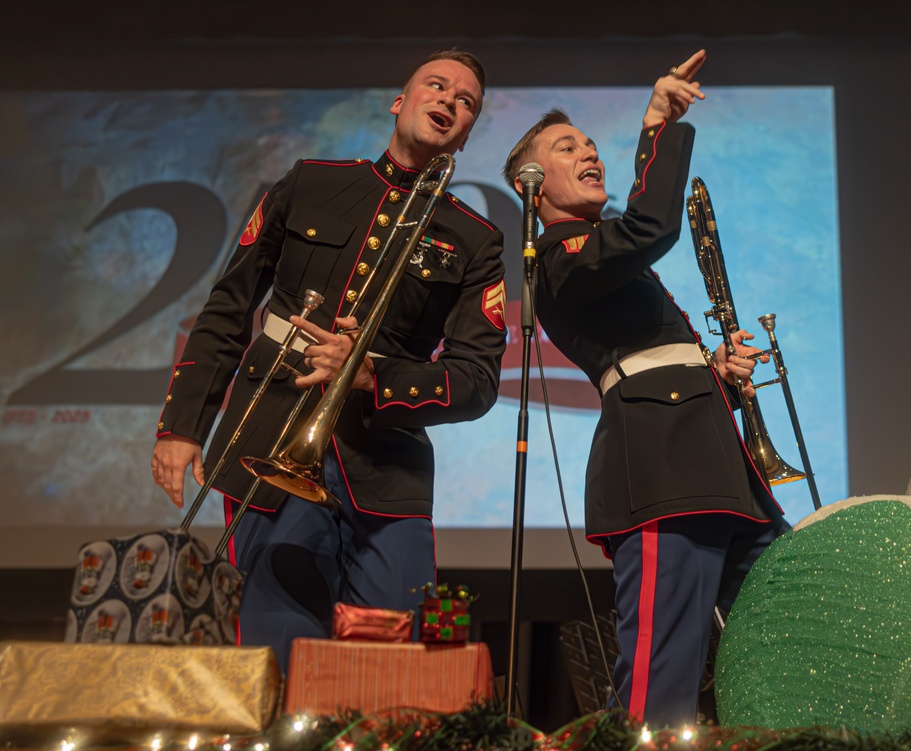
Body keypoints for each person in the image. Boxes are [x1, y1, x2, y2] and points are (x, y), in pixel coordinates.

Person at [151, 48, 507, 672]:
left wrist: (372, 374)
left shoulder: (475, 239)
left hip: (384, 466)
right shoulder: (310, 182)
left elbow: (476, 382)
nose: (450, 100)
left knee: (396, 666)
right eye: (437, 85)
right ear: (401, 100)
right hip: (271, 432)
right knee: (275, 655)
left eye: (466, 100)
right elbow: (230, 306)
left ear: (469, 130)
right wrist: (183, 425)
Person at [502, 49, 789, 727]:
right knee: (659, 683)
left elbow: (645, 347)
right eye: (567, 147)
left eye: (591, 143)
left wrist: (711, 369)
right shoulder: (560, 257)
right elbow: (651, 227)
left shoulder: (598, 256)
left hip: (718, 467)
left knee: (790, 633)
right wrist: (657, 124)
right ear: (532, 186)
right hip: (662, 471)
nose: (589, 152)